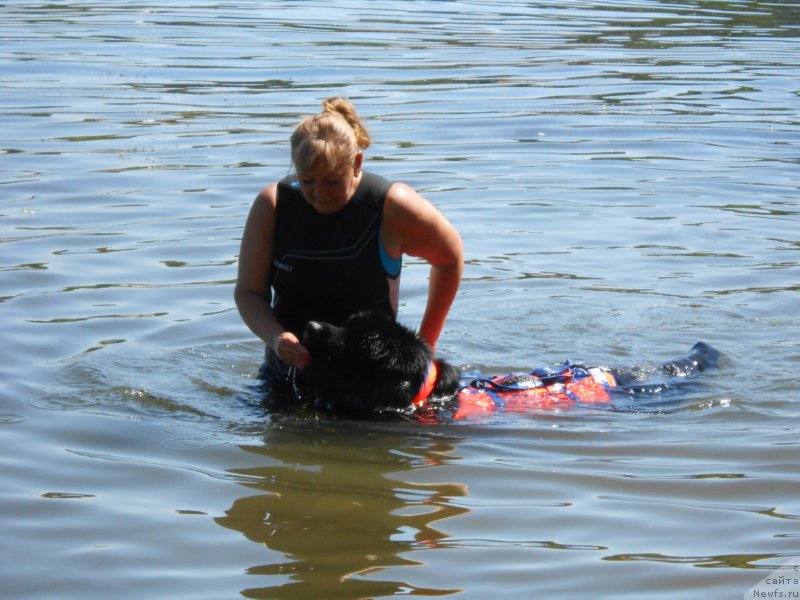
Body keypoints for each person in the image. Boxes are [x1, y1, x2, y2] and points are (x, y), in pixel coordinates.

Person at [234, 97, 463, 386]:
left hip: (369, 378)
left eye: (332, 181)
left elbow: (449, 257)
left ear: (356, 164)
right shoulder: (274, 205)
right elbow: (249, 293)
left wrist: (426, 347)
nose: (320, 194)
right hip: (288, 369)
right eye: (308, 181)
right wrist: (276, 338)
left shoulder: (391, 206)